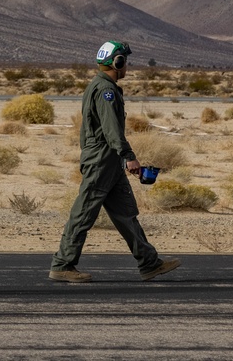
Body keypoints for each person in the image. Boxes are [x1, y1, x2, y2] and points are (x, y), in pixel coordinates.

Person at [49, 40, 181, 283]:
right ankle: (62, 264)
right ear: (117, 63)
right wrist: (129, 157)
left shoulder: (105, 87)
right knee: (84, 213)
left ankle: (149, 263)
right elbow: (111, 131)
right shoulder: (105, 90)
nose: (127, 66)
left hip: (110, 162)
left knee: (126, 214)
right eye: (125, 61)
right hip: (101, 161)